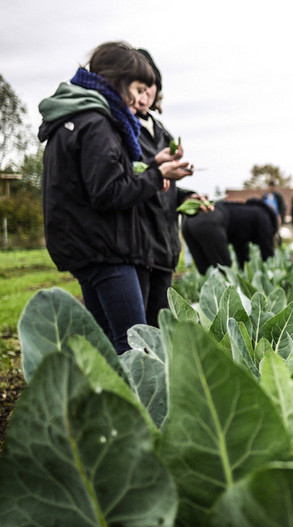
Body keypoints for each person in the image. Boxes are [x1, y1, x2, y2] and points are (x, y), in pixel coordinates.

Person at [38, 42, 191, 353]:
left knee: (109, 340)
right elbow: (109, 191)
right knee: (133, 343)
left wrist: (151, 167)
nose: (138, 98)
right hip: (106, 249)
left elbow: (100, 180)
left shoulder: (74, 115)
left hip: (86, 246)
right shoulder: (97, 122)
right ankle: (135, 403)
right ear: (116, 79)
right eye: (135, 87)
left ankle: (109, 399)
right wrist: (158, 174)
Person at [130, 48, 205, 326]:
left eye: (150, 86)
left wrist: (189, 198)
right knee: (136, 332)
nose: (145, 94)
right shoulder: (122, 130)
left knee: (159, 327)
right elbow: (127, 183)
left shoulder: (163, 134)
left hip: (165, 246)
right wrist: (155, 169)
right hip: (137, 247)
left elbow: (164, 190)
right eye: (138, 86)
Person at [181, 199, 277, 274]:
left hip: (188, 222)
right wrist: (270, 271)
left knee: (206, 270)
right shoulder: (263, 216)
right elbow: (267, 248)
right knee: (224, 269)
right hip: (210, 220)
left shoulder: (244, 211)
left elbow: (241, 248)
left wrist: (244, 269)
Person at [263, 180, 286, 246]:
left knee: (277, 233)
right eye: (270, 186)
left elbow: (282, 208)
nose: (271, 188)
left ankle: (279, 246)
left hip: (276, 217)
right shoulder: (265, 196)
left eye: (272, 186)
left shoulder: (278, 196)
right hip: (267, 218)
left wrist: (281, 217)